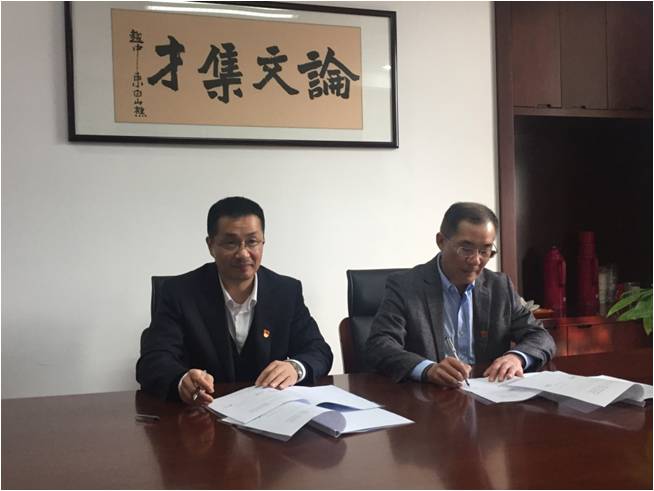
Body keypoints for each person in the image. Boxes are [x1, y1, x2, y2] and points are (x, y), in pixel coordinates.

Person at [136, 197, 333, 404]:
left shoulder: (286, 291)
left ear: (263, 242)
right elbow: (153, 360)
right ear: (211, 245)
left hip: (270, 412)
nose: (243, 253)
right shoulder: (179, 293)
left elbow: (318, 350)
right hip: (203, 413)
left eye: (252, 241)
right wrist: (181, 380)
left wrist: (295, 368)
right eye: (231, 243)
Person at [366, 202, 555, 387]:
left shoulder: (499, 286)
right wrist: (427, 369)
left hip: (489, 394)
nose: (476, 260)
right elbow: (380, 345)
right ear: (441, 241)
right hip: (429, 397)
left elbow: (540, 336)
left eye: (485, 250)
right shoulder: (406, 285)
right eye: (466, 249)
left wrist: (517, 357)